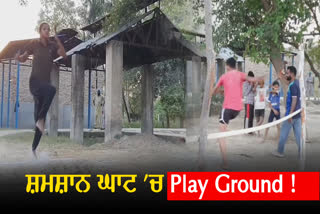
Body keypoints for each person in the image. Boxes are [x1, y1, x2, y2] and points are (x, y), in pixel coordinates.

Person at [15, 22, 67, 158]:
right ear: (40, 31)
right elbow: (24, 57)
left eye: (49, 29)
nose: (47, 31)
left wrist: (58, 41)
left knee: (39, 121)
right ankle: (40, 120)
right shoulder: (34, 44)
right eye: (45, 29)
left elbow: (64, 55)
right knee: (52, 90)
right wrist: (19, 58)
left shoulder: (52, 46)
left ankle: (33, 150)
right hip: (35, 83)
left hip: (45, 87)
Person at [210, 57, 264, 169]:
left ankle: (225, 163)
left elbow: (213, 91)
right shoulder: (240, 74)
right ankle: (224, 132)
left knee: (221, 136)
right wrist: (261, 78)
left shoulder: (224, 76)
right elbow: (255, 79)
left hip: (227, 108)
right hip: (237, 110)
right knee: (222, 128)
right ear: (235, 65)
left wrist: (216, 90)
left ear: (227, 66)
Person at [272, 66, 301, 158]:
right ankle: (302, 152)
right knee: (298, 136)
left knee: (283, 134)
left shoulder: (293, 86)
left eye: (288, 73)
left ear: (292, 74)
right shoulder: (294, 83)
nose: (287, 75)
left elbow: (294, 101)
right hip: (297, 115)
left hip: (291, 114)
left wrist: (290, 115)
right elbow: (287, 81)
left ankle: (280, 152)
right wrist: (282, 75)